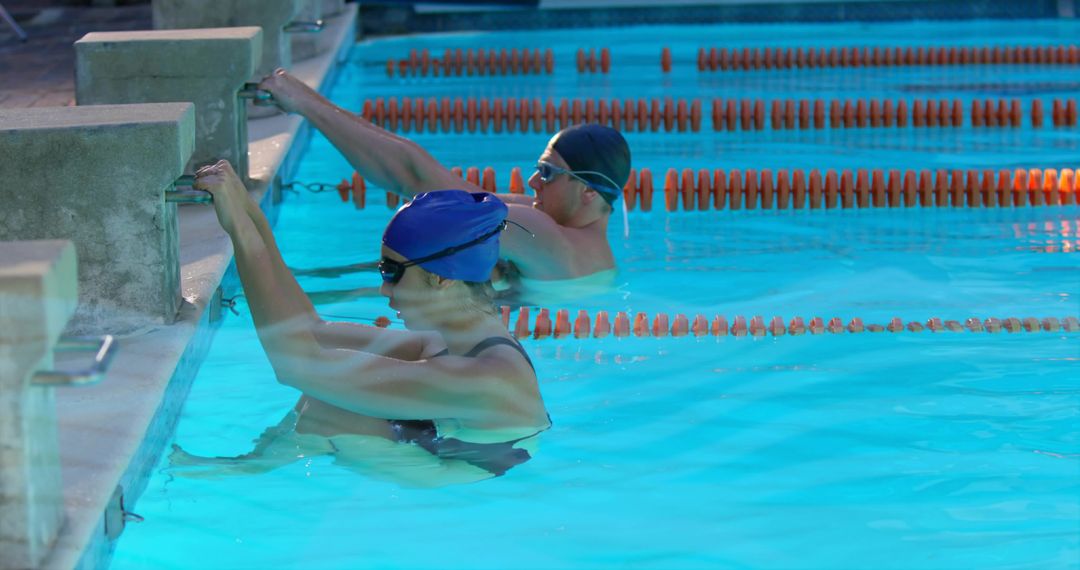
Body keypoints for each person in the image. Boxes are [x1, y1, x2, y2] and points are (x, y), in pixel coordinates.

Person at [172, 160, 550, 484]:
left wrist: (239, 232)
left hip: (461, 471)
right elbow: (314, 333)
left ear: (441, 277)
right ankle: (255, 465)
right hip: (445, 437)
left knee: (327, 410)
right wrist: (249, 214)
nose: (384, 290)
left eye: (392, 272)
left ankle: (248, 472)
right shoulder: (453, 339)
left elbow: (295, 366)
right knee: (327, 391)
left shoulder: (486, 377)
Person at [259, 69, 631, 298]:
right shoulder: (572, 244)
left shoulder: (542, 233)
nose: (534, 181)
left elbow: (416, 180)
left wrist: (307, 104)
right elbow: (434, 181)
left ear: (588, 191)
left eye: (548, 173)